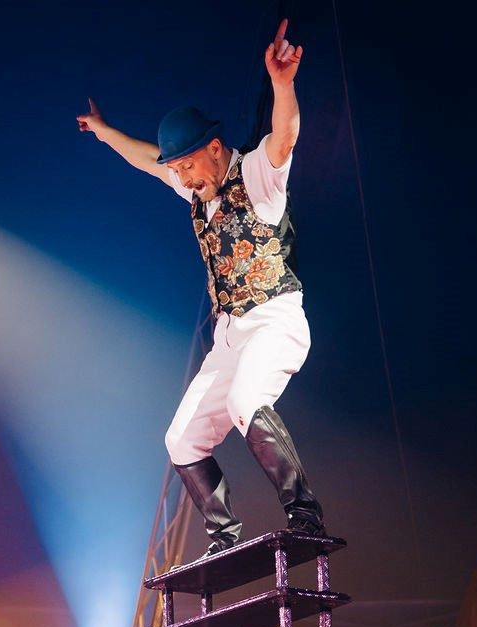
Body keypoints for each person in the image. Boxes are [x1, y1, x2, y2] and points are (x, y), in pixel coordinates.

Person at [77, 18, 328, 557]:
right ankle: (223, 537)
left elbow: (284, 137)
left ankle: (305, 514)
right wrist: (103, 130)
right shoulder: (197, 189)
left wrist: (282, 84)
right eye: (179, 170)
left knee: (246, 400)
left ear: (215, 149)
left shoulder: (257, 175)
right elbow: (146, 158)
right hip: (230, 335)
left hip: (275, 319)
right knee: (182, 439)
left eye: (189, 166)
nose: (185, 179)